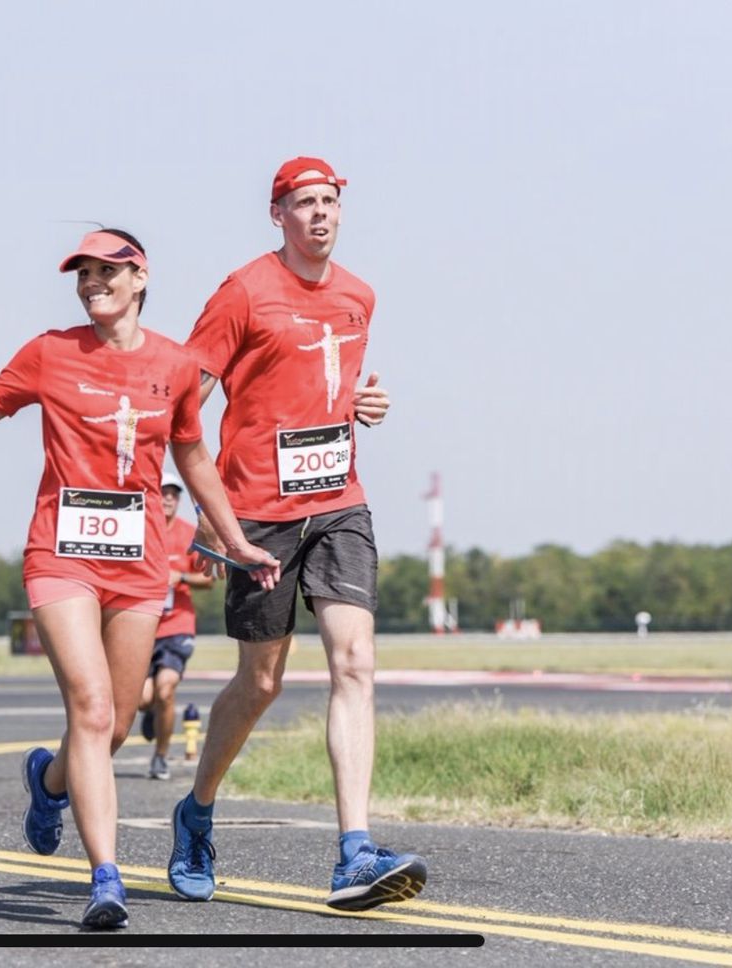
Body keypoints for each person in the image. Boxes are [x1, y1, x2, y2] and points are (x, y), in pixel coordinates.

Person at [0, 228, 280, 930]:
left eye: (107, 272)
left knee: (116, 723)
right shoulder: (50, 353)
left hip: (141, 564)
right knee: (90, 711)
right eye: (82, 274)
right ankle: (106, 878)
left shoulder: (178, 366)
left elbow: (195, 459)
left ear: (140, 277)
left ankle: (48, 780)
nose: (93, 283)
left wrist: (235, 539)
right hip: (61, 558)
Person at [166, 158, 427, 912]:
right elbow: (189, 399)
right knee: (263, 682)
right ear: (277, 214)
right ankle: (198, 811)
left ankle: (354, 850)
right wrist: (201, 515)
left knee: (355, 661)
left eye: (330, 202)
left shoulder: (358, 296)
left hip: (340, 502)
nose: (320, 214)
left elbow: (331, 386)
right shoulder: (243, 292)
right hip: (257, 512)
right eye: (304, 203)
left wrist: (364, 401)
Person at [137, 471, 214, 780]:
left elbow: (208, 578)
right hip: (141, 625)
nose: (168, 498)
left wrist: (180, 577)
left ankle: (160, 756)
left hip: (177, 625)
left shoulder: (189, 534)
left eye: (174, 493)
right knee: (142, 698)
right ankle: (153, 712)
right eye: (163, 492)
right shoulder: (137, 531)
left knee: (166, 689)